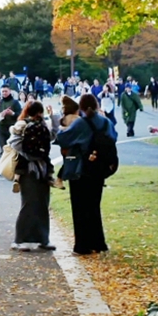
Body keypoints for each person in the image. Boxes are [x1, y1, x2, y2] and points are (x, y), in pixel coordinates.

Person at [55, 94, 117, 255]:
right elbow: (114, 137)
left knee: (79, 208)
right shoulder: (105, 122)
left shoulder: (80, 123)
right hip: (99, 169)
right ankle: (98, 242)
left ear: (81, 107)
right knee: (94, 206)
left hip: (81, 168)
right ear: (96, 106)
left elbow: (62, 138)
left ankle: (82, 245)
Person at [10, 101, 56, 251]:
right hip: (43, 169)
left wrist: (29, 155)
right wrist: (53, 117)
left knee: (28, 204)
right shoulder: (43, 125)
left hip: (26, 169)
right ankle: (42, 239)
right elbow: (53, 136)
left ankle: (22, 239)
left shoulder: (20, 125)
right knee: (42, 204)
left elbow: (14, 143)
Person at [0, 85, 22, 152]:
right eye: (3, 91)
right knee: (2, 149)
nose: (4, 93)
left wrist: (13, 113)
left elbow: (20, 115)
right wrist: (1, 115)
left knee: (13, 150)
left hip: (12, 129)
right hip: (1, 129)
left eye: (6, 91)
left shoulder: (15, 102)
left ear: (10, 91)